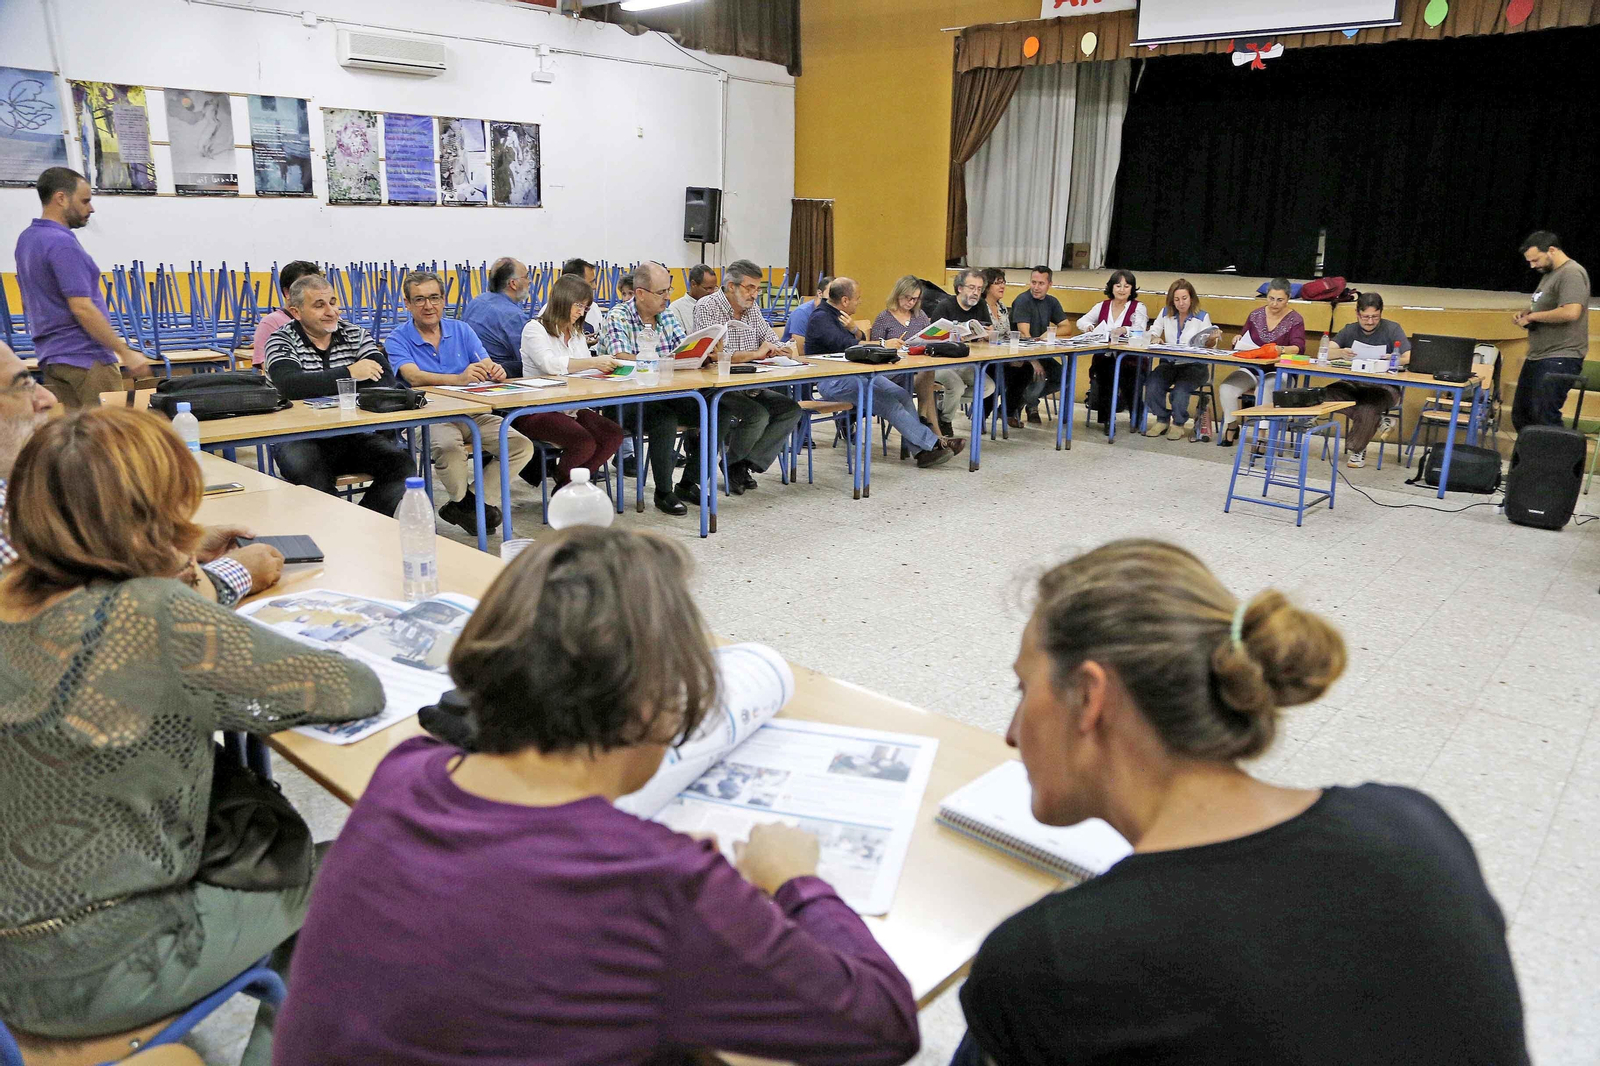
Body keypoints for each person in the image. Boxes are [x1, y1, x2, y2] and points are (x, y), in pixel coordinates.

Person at [273, 527, 920, 1065]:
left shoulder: (408, 772)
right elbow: (881, 1025)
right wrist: (796, 881)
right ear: (654, 707)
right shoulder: (657, 884)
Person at [953, 539, 1530, 1066]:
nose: (1010, 731)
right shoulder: (1414, 827)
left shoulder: (1053, 962)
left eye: (1023, 690)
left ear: (1088, 697)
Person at [0, 407, 383, 1066]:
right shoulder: (154, 614)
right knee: (361, 878)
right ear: (151, 519)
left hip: (14, 950)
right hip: (102, 966)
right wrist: (190, 578)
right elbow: (352, 690)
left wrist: (181, 567)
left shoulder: (10, 593)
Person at [0, 340, 281, 604]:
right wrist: (234, 573)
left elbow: (79, 563)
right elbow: (93, 617)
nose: (47, 398)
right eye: (23, 386)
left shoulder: (17, 493)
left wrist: (175, 544)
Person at [385, 270, 533, 537]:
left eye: (434, 298)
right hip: (426, 416)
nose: (428, 306)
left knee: (520, 446)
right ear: (407, 304)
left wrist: (494, 370)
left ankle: (466, 505)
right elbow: (413, 377)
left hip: (471, 412)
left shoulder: (462, 330)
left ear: (444, 300)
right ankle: (468, 506)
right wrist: (458, 378)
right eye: (419, 300)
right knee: (448, 448)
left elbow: (485, 362)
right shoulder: (397, 338)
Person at [263, 275, 418, 517]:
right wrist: (350, 373)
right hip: (298, 437)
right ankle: (338, 534)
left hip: (351, 435)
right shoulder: (280, 340)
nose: (331, 311)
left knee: (402, 465)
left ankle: (365, 525)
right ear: (296, 311)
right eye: (319, 305)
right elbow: (290, 386)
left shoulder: (354, 333)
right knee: (312, 475)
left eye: (333, 302)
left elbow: (386, 379)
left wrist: (319, 383)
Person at [13, 167, 151, 407]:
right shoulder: (62, 244)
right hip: (86, 358)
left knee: (79, 438)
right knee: (109, 438)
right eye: (85, 201)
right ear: (61, 198)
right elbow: (82, 308)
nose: (91, 208)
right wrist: (125, 351)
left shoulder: (27, 240)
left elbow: (32, 300)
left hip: (52, 357)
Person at [600, 262, 724, 516]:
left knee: (716, 412)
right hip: (625, 401)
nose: (667, 297)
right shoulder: (618, 316)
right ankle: (663, 492)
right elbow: (621, 356)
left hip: (667, 394)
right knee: (664, 420)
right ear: (641, 293)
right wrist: (663, 361)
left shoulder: (666, 316)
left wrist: (701, 354)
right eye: (661, 292)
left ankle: (689, 482)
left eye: (669, 290)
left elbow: (682, 350)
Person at [807, 278, 953, 469]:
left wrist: (855, 330)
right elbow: (848, 347)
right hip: (833, 380)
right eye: (857, 298)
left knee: (902, 395)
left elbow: (860, 339)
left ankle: (922, 452)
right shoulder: (821, 318)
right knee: (889, 404)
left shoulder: (841, 315)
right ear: (844, 300)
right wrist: (883, 344)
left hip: (857, 375)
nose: (859, 302)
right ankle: (933, 443)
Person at [692, 259, 804, 495]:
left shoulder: (751, 310)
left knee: (790, 409)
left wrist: (782, 348)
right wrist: (755, 353)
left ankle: (740, 464)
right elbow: (713, 355)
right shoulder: (707, 306)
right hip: (716, 386)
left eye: (757, 289)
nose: (754, 294)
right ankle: (735, 465)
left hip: (750, 384)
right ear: (731, 286)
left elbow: (770, 339)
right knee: (758, 414)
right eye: (749, 287)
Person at [514, 272, 627, 495]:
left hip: (571, 406)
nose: (581, 312)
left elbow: (585, 369)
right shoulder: (534, 329)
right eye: (578, 305)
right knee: (583, 442)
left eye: (585, 307)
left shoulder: (575, 333)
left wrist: (610, 369)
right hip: (537, 409)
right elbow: (550, 365)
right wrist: (594, 362)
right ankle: (567, 489)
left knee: (613, 434)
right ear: (562, 301)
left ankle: (567, 485)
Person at [1512, 231, 1590, 431]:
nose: (1532, 265)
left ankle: (1555, 461)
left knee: (1544, 417)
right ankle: (1528, 461)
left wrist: (1533, 317)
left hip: (1560, 356)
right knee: (1523, 415)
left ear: (1552, 250)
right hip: (1538, 355)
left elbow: (1571, 312)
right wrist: (1528, 313)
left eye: (1536, 259)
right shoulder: (1549, 274)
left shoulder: (1571, 273)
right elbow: (1548, 307)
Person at [872, 274, 965, 441]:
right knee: (927, 381)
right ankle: (935, 433)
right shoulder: (884, 317)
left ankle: (928, 425)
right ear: (897, 294)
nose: (911, 303)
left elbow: (930, 337)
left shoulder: (920, 315)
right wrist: (887, 343)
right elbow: (874, 346)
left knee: (927, 373)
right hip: (892, 372)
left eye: (915, 299)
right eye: (907, 298)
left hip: (916, 368)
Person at [1324, 291, 1410, 467]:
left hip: (1384, 387)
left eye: (1375, 317)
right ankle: (1378, 421)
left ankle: (1357, 449)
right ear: (1357, 314)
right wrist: (1340, 352)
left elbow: (1409, 357)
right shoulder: (1349, 329)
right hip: (1353, 383)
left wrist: (1394, 359)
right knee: (1323, 394)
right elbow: (1326, 351)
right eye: (1365, 317)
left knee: (1367, 407)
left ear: (1381, 313)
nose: (1370, 321)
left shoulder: (1393, 329)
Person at [1217, 277, 1304, 438]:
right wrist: (1237, 338)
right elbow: (1244, 338)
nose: (1274, 304)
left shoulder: (1295, 319)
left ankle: (1262, 435)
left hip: (1279, 371)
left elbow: (1298, 348)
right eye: (1271, 298)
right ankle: (1232, 425)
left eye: (1280, 300)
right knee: (1226, 388)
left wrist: (1281, 349)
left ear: (1288, 299)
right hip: (1253, 368)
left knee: (1264, 390)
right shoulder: (1255, 315)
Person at [1077, 270, 1150, 431]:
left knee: (1131, 379)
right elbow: (1082, 321)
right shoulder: (1102, 306)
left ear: (1132, 289)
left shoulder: (1138, 307)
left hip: (1131, 359)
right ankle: (1107, 419)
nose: (1122, 290)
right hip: (1105, 357)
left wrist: (1124, 329)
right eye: (1118, 285)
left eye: (1126, 286)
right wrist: (1089, 327)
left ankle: (1136, 417)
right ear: (1112, 287)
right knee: (1106, 375)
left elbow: (1140, 329)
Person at [1143, 279, 1214, 441]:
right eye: (1177, 300)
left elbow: (1209, 344)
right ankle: (1162, 419)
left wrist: (1211, 339)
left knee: (1180, 391)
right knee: (1153, 384)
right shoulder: (1165, 313)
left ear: (1191, 298)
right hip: (1170, 363)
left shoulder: (1202, 317)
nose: (1181, 303)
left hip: (1194, 366)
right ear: (1172, 300)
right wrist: (1154, 337)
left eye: (1184, 298)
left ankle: (1179, 424)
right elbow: (1153, 331)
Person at [1008, 266, 1068, 425]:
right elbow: (1024, 335)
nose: (1036, 287)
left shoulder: (1052, 301)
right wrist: (1034, 361)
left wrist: (1051, 332)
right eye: (1033, 282)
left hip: (1042, 353)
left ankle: (1020, 401)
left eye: (1041, 283)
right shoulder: (1023, 301)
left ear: (1050, 284)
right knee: (1039, 378)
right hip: (1022, 355)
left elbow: (1067, 327)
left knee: (1065, 376)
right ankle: (1020, 404)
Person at [460, 256, 533, 379]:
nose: (529, 281)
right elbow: (530, 361)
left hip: (470, 373)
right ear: (513, 284)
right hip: (499, 377)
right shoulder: (513, 316)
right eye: (526, 277)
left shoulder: (477, 301)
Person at [251, 260, 321, 368]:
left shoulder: (329, 318)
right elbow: (269, 368)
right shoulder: (270, 323)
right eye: (305, 288)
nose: (313, 293)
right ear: (287, 292)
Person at [783, 275, 833, 348]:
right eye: (831, 293)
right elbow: (799, 349)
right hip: (792, 357)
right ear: (820, 293)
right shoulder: (801, 313)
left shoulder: (835, 311)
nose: (836, 297)